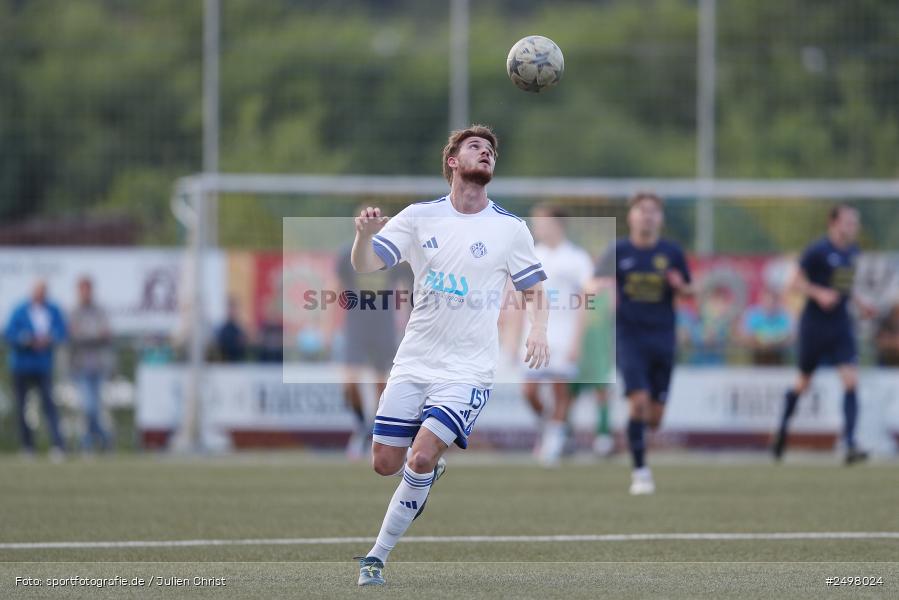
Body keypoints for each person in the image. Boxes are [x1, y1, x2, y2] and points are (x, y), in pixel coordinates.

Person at [351, 125, 549, 586]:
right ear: (453, 162)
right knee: (384, 463)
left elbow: (535, 289)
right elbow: (366, 265)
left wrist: (539, 330)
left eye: (491, 149)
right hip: (414, 361)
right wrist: (363, 236)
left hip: (467, 370)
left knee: (418, 458)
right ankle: (426, 471)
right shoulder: (419, 217)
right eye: (475, 146)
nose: (486, 152)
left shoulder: (510, 228)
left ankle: (376, 557)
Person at [594, 192, 693, 495]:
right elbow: (591, 283)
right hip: (629, 337)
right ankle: (640, 471)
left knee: (655, 418)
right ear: (631, 216)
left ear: (660, 218)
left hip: (663, 337)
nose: (647, 216)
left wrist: (681, 287)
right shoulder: (617, 250)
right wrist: (603, 287)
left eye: (653, 211)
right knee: (637, 402)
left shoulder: (671, 252)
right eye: (641, 210)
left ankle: (638, 437)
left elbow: (691, 290)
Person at [773, 204, 876, 464]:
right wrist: (818, 293)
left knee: (851, 381)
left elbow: (844, 286)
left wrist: (861, 303)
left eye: (855, 223)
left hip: (840, 325)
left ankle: (850, 443)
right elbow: (793, 282)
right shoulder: (817, 250)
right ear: (834, 223)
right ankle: (782, 433)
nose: (853, 227)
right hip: (815, 326)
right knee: (803, 383)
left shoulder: (853, 252)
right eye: (849, 222)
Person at [512, 204, 593, 466]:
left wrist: (577, 341)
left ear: (558, 225)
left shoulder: (577, 258)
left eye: (542, 222)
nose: (537, 227)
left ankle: (553, 444)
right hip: (535, 333)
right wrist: (514, 337)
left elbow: (585, 302)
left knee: (560, 391)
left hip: (564, 334)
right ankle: (553, 429)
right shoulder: (532, 254)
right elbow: (519, 299)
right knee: (529, 391)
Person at [327, 235, 412, 460]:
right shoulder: (347, 254)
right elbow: (335, 288)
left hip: (383, 326)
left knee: (381, 385)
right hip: (355, 326)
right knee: (349, 383)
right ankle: (361, 427)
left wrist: (407, 324)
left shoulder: (392, 254)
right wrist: (328, 328)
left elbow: (403, 288)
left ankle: (374, 431)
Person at [4, 280, 68, 459]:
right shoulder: (19, 310)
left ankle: (58, 445)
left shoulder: (53, 310)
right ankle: (27, 446)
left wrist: (50, 339)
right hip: (21, 365)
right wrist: (25, 339)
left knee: (49, 406)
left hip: (43, 365)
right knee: (22, 407)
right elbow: (8, 333)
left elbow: (61, 331)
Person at [68, 276, 113, 452]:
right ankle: (101, 438)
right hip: (80, 367)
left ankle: (91, 442)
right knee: (88, 407)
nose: (86, 293)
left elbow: (106, 334)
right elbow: (74, 336)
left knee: (96, 408)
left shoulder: (100, 311)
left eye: (88, 289)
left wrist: (87, 335)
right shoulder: (73, 312)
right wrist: (94, 335)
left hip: (99, 366)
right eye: (83, 290)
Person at [740, 288, 793, 365]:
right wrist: (759, 343)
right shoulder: (752, 314)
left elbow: (791, 337)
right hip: (756, 355)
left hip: (779, 356)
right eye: (766, 300)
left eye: (772, 301)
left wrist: (775, 343)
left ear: (776, 301)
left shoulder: (785, 315)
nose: (769, 304)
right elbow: (743, 336)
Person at [216, 297, 248, 362]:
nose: (232, 311)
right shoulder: (223, 330)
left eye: (234, 308)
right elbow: (222, 348)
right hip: (226, 364)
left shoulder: (240, 330)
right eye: (231, 308)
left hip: (239, 364)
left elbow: (244, 350)